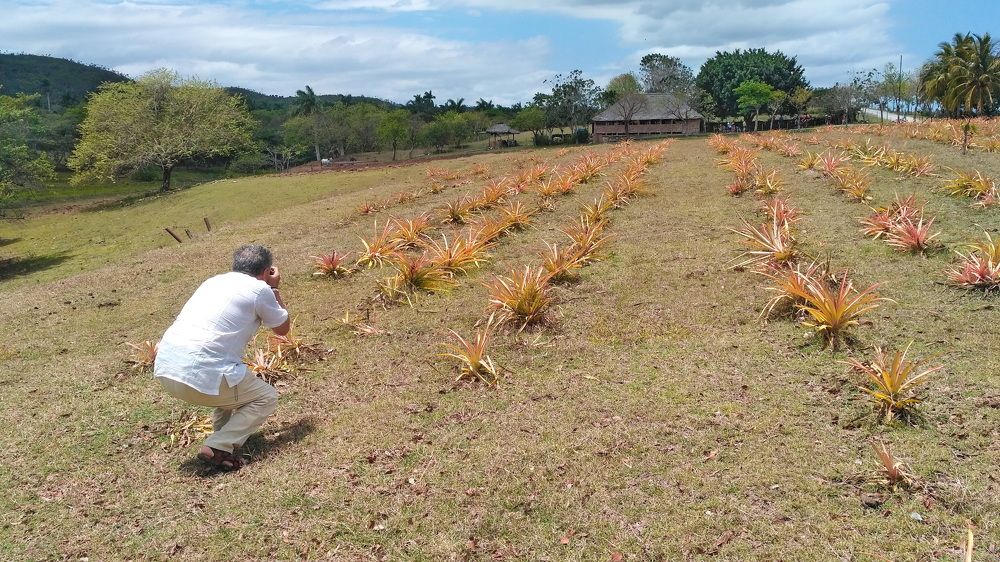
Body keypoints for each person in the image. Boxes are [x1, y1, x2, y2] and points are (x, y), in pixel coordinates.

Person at [154, 244, 289, 470]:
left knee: (229, 379)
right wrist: (273, 289)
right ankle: (218, 445)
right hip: (201, 378)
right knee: (266, 397)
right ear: (266, 272)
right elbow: (282, 329)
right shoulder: (260, 289)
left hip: (167, 371)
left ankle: (223, 437)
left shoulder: (212, 282)